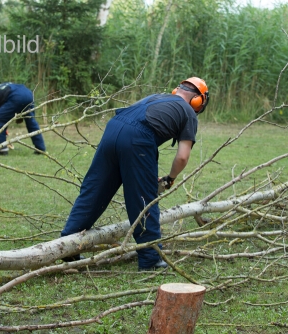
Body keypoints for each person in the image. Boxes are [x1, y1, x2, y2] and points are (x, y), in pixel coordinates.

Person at [60, 77, 209, 271]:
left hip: (113, 128)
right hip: (138, 138)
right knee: (143, 198)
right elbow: (182, 157)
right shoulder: (189, 112)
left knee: (94, 189)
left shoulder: (156, 97)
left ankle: (68, 246)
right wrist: (170, 178)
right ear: (199, 100)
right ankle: (150, 259)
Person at [0, 82, 46, 155]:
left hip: (16, 97)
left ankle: (2, 149)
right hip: (29, 94)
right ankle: (40, 148)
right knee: (31, 121)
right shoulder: (0, 88)